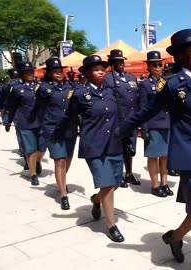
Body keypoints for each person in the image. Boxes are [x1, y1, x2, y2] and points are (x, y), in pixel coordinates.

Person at [116, 29, 191, 269]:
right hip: (189, 153)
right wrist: (123, 130)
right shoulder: (171, 84)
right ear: (181, 56)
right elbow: (147, 111)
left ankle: (174, 237)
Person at [54, 55, 125, 242]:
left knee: (116, 182)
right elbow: (68, 116)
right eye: (96, 69)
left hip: (114, 143)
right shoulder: (79, 94)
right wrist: (56, 134)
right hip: (94, 145)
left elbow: (122, 117)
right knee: (107, 185)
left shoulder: (112, 92)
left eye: (103, 69)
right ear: (86, 73)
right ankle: (111, 225)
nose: (101, 72)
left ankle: (96, 199)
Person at [38, 57, 78, 210]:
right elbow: (39, 109)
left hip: (70, 129)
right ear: (49, 73)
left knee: (67, 160)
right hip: (53, 129)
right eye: (55, 71)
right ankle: (63, 195)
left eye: (60, 70)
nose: (59, 73)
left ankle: (61, 181)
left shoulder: (71, 86)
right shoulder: (44, 89)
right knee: (59, 160)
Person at [104, 49, 141, 187]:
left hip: (132, 119)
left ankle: (129, 173)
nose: (121, 63)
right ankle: (118, 175)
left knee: (130, 148)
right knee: (119, 148)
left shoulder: (131, 77)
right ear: (112, 63)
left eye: (122, 61)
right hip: (118, 119)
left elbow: (136, 97)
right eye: (118, 61)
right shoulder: (108, 78)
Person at [138, 51, 173, 198]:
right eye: (155, 65)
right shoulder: (145, 85)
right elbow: (143, 108)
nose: (158, 67)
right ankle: (155, 185)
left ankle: (164, 183)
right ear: (149, 67)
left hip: (167, 124)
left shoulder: (167, 82)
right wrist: (144, 128)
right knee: (153, 156)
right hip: (153, 125)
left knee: (165, 156)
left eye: (160, 64)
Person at [5, 61, 46, 186]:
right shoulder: (16, 89)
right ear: (22, 74)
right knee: (30, 150)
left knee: (42, 149)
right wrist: (8, 121)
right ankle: (33, 173)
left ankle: (38, 161)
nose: (30, 74)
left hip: (41, 122)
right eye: (27, 72)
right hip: (25, 123)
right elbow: (12, 107)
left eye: (31, 72)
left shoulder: (40, 86)